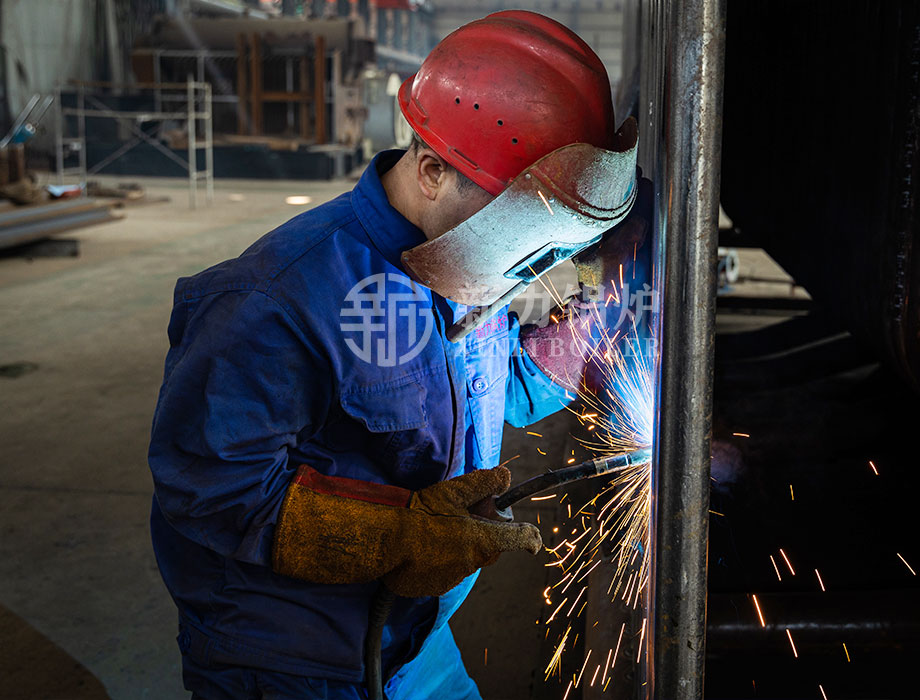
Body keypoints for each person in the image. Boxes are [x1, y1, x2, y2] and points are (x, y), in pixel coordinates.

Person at [148, 11, 640, 700]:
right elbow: (213, 490)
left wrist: (600, 320)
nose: (530, 262)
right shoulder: (275, 297)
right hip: (294, 664)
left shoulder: (466, 260)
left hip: (419, 644)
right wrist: (401, 536)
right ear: (433, 171)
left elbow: (505, 386)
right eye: (518, 227)